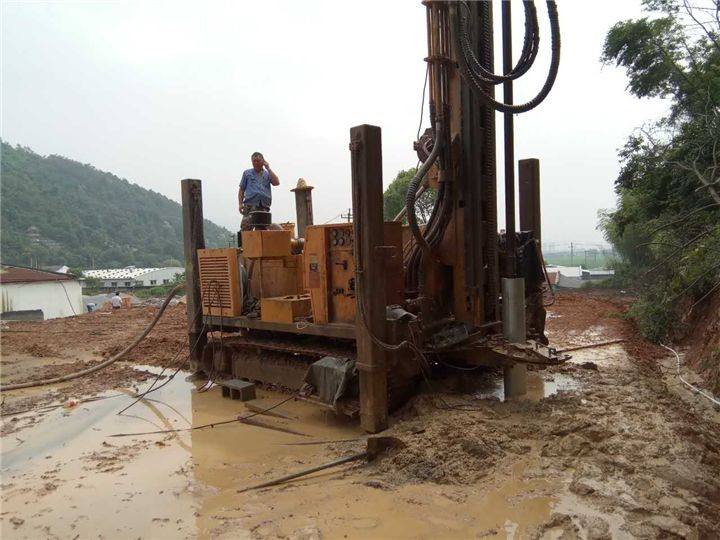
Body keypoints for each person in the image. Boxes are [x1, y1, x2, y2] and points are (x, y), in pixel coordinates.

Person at [238, 152, 280, 231]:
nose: (256, 163)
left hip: (264, 206)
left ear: (263, 161)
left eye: (258, 161)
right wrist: (240, 204)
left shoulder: (267, 174)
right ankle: (244, 243)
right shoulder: (247, 173)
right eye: (254, 161)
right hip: (250, 205)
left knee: (262, 230)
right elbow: (241, 190)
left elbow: (276, 183)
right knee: (246, 228)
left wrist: (268, 168)